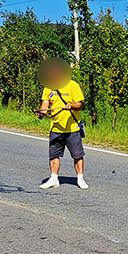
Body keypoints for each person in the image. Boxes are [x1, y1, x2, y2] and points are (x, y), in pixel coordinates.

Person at [35, 57, 88, 189]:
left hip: (72, 128)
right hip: (56, 128)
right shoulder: (48, 88)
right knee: (54, 154)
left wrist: (71, 106)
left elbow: (80, 104)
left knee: (77, 154)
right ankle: (53, 179)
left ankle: (80, 178)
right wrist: (41, 113)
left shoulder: (72, 85)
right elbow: (45, 105)